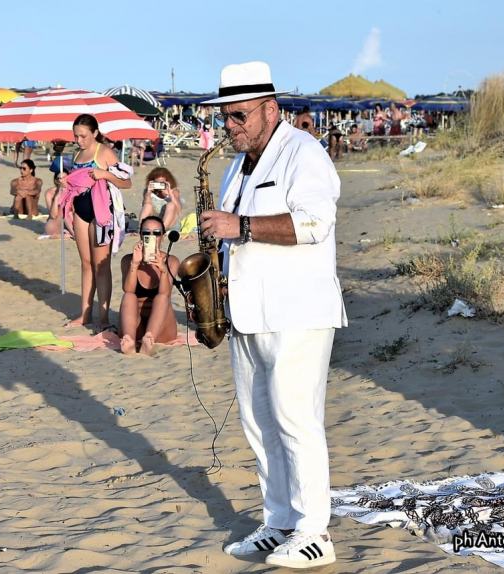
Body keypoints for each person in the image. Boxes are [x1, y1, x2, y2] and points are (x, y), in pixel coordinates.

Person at [199, 61, 346, 569]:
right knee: (259, 422)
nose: (230, 127)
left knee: (294, 418)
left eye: (239, 116)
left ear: (270, 109)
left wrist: (238, 224)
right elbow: (229, 234)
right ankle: (279, 520)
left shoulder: (304, 153)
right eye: (225, 117)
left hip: (297, 310)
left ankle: (314, 532)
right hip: (247, 313)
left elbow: (313, 223)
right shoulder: (234, 165)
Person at [59, 114, 132, 330]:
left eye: (83, 136)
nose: (79, 140)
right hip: (80, 211)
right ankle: (85, 314)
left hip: (101, 213)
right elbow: (77, 184)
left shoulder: (105, 152)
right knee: (86, 264)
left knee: (102, 267)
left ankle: (104, 319)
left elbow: (126, 182)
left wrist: (105, 174)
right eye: (76, 136)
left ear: (95, 133)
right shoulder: (77, 154)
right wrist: (64, 182)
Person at [118, 216, 179, 355]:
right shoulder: (128, 260)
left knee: (162, 298)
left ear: (162, 237)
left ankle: (149, 340)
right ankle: (129, 342)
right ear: (140, 236)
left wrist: (163, 270)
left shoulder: (171, 261)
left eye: (156, 233)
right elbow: (128, 290)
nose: (151, 237)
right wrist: (135, 264)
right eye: (146, 233)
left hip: (161, 324)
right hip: (134, 324)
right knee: (129, 296)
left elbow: (166, 294)